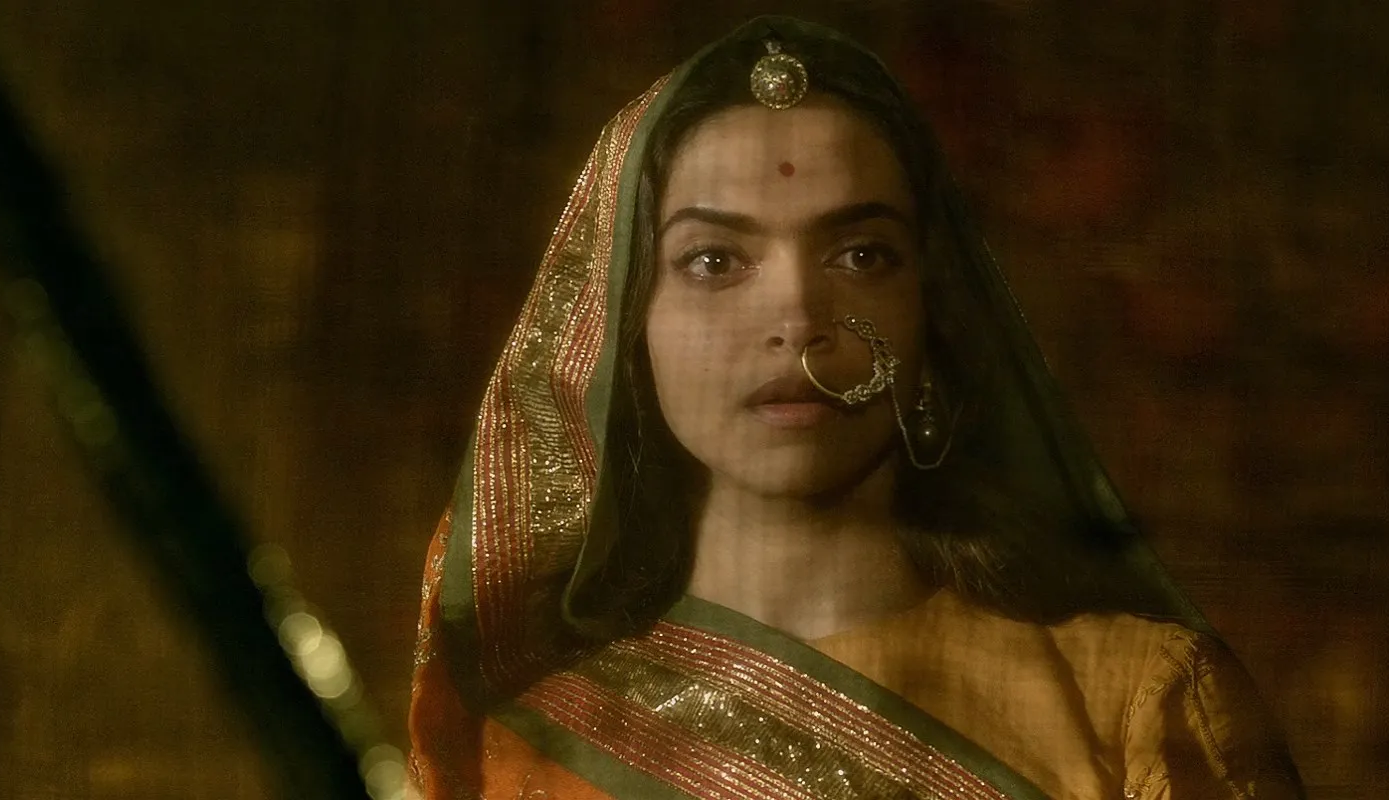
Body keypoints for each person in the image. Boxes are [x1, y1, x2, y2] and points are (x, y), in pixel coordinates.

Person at [407, 16, 1303, 800]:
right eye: (714, 261)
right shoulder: (530, 749)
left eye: (861, 256)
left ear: (933, 313)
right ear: (623, 331)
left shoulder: (1137, 701)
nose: (798, 317)